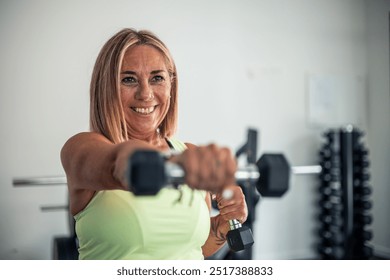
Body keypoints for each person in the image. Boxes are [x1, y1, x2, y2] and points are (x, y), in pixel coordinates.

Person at [60, 28, 248, 260]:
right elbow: (121, 164)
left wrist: (219, 230)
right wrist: (180, 164)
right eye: (128, 79)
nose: (146, 94)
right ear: (106, 87)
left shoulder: (188, 152)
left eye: (157, 78)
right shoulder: (82, 148)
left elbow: (186, 252)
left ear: (171, 85)